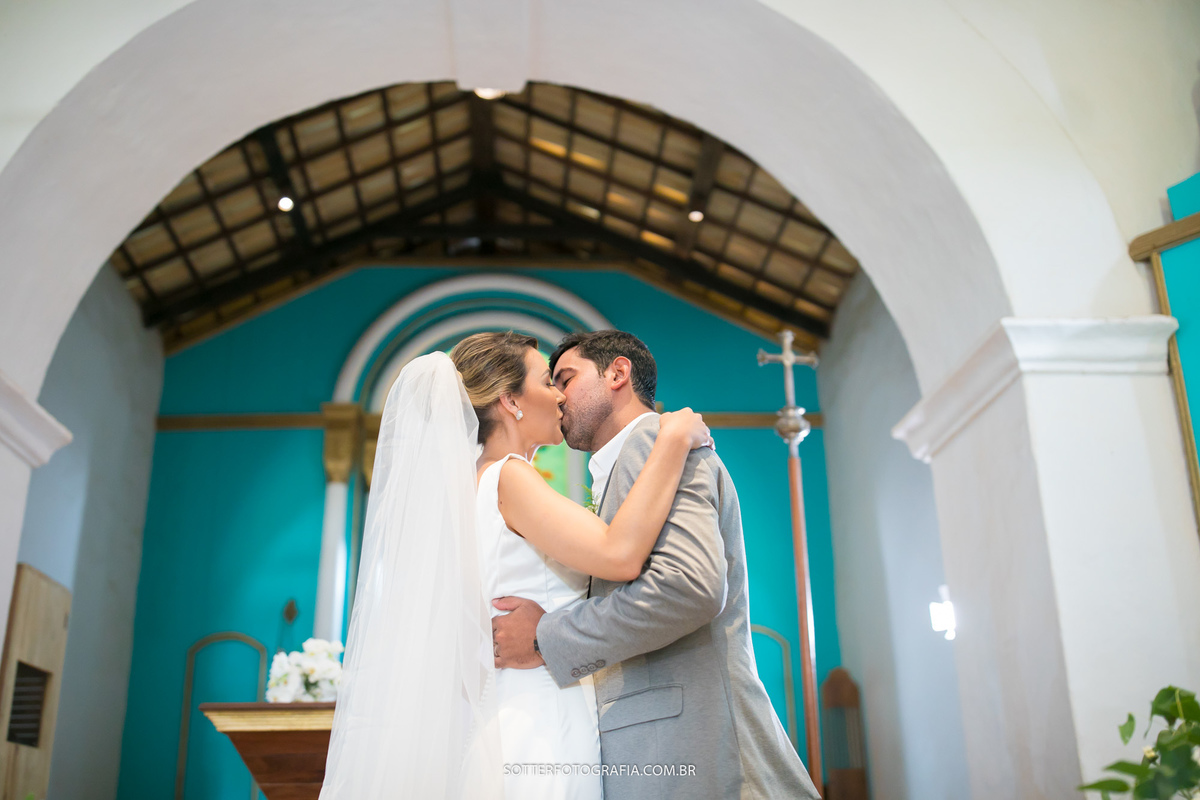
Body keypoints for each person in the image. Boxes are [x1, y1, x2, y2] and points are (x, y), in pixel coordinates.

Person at [319, 330, 711, 799]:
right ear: (510, 401)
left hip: (517, 703)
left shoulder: (473, 485)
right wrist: (673, 438)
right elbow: (619, 554)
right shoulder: (509, 476)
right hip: (540, 715)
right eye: (547, 382)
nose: (560, 396)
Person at [492, 329, 822, 799]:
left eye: (565, 378)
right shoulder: (632, 458)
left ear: (617, 373)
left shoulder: (653, 442)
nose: (559, 397)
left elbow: (687, 587)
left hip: (697, 750)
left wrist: (546, 637)